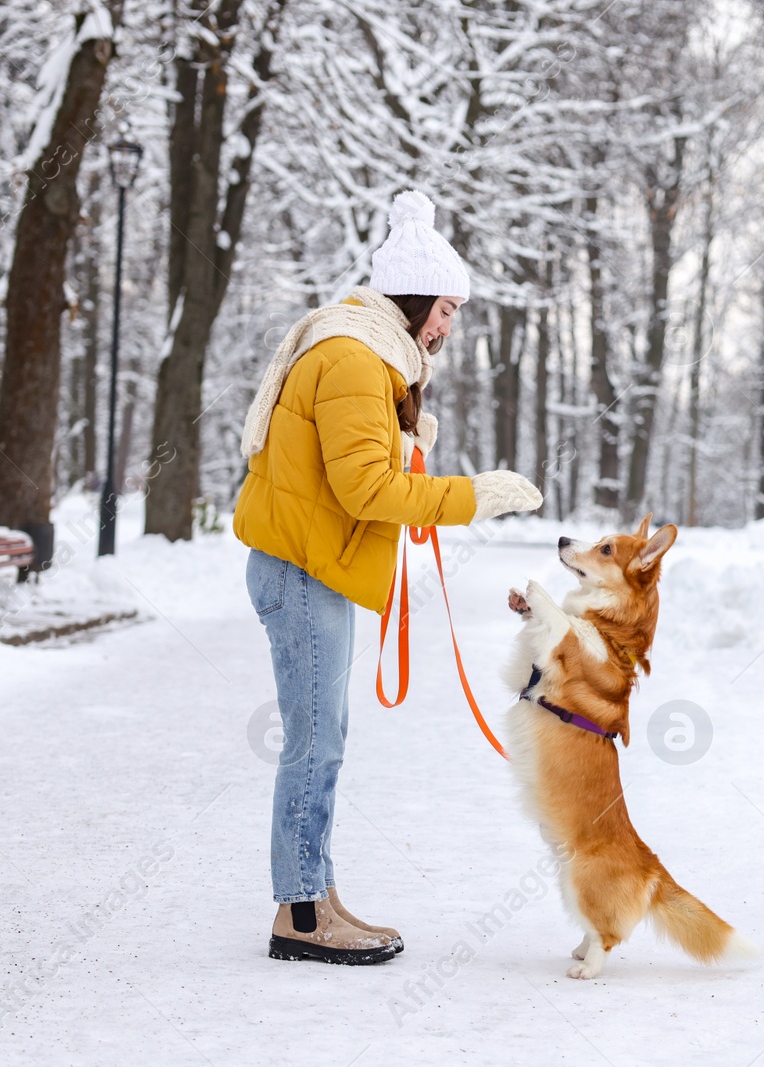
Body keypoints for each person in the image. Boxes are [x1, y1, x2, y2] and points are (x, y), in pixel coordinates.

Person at [233, 190, 543, 965]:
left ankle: (314, 893)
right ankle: (301, 916)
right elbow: (365, 490)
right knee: (315, 743)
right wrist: (476, 494)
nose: (447, 325)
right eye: (444, 307)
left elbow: (355, 471)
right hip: (303, 572)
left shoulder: (363, 355)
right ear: (409, 298)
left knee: (323, 739)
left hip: (312, 568)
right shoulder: (350, 357)